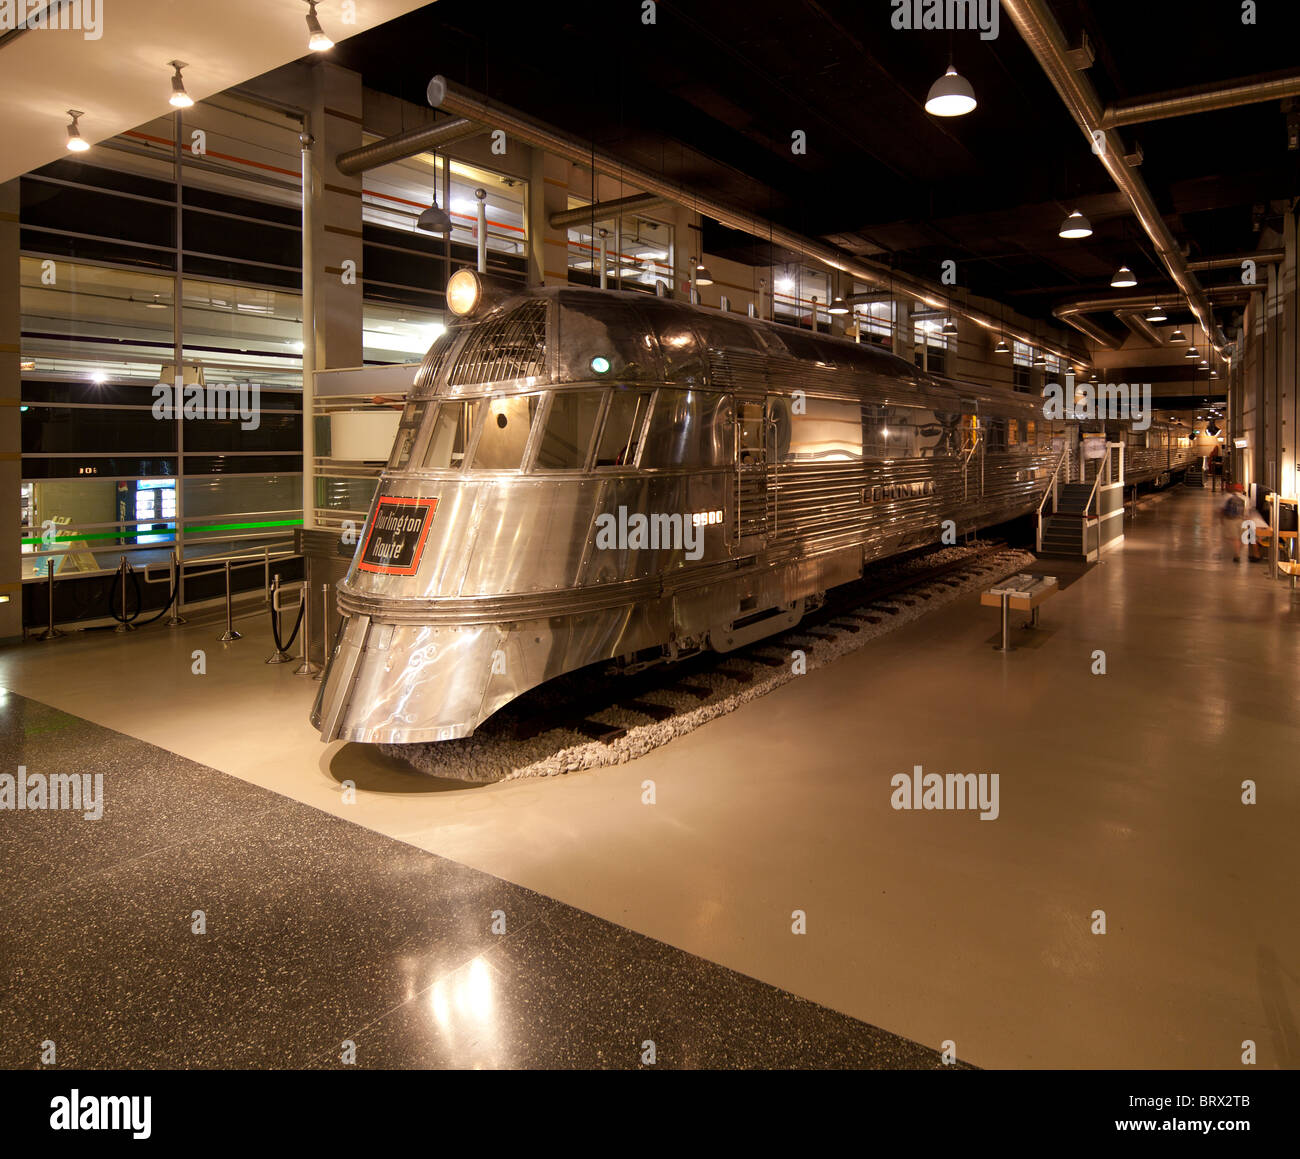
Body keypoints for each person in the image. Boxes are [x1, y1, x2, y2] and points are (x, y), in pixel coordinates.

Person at [1222, 484, 1248, 563]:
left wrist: (1221, 519)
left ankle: (1237, 554)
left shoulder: (1227, 497)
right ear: (1242, 490)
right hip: (1242, 519)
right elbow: (1248, 511)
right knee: (1242, 539)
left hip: (1231, 520)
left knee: (1234, 538)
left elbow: (1222, 509)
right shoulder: (1245, 498)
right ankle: (1238, 552)